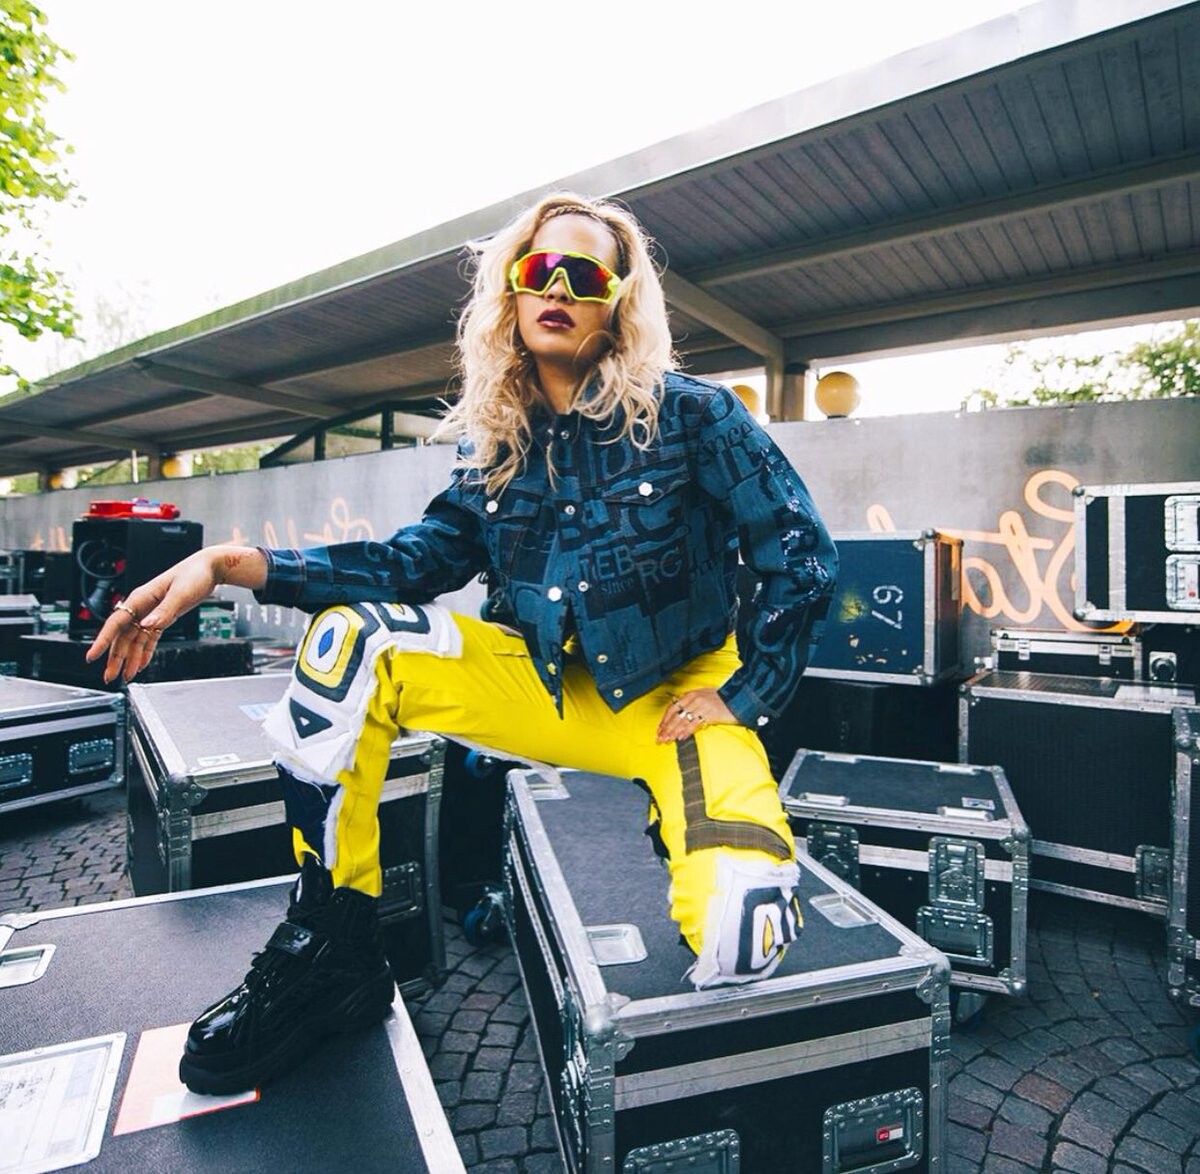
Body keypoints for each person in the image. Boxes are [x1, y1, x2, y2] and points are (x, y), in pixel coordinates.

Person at [87, 191, 838, 1095]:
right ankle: (336, 946)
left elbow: (801, 556)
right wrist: (231, 564)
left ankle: (691, 871)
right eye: (538, 269)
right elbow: (412, 564)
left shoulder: (695, 416)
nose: (557, 288)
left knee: (745, 930)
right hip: (538, 685)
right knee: (349, 644)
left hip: (674, 702)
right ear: (511, 290)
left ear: (617, 301)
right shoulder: (496, 444)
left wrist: (745, 695)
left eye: (584, 275)